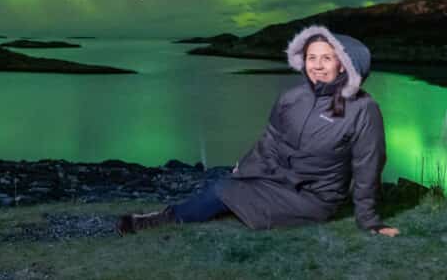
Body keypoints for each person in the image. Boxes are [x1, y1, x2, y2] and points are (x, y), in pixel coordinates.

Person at [116, 23, 399, 237]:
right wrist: (246, 169)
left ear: (343, 64)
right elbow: (271, 141)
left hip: (315, 199)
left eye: (327, 58)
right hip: (278, 180)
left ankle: (162, 220)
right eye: (312, 58)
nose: (317, 66)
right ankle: (172, 215)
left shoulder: (363, 109)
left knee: (221, 189)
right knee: (227, 183)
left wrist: (370, 220)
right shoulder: (293, 98)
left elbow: (368, 166)